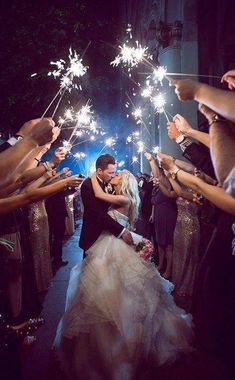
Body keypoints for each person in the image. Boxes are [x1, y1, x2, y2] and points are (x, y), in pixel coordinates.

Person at [53, 169, 194, 380]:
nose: (114, 176)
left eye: (117, 175)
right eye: (114, 173)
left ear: (124, 181)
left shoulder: (123, 197)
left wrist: (94, 175)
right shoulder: (118, 195)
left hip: (113, 245)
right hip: (109, 243)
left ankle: (118, 354)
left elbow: (99, 198)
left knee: (115, 297)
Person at [79, 154, 133, 255]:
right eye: (110, 173)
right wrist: (121, 231)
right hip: (93, 235)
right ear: (99, 171)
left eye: (114, 173)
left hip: (108, 235)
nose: (113, 175)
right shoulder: (88, 185)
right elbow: (98, 214)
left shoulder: (110, 183)